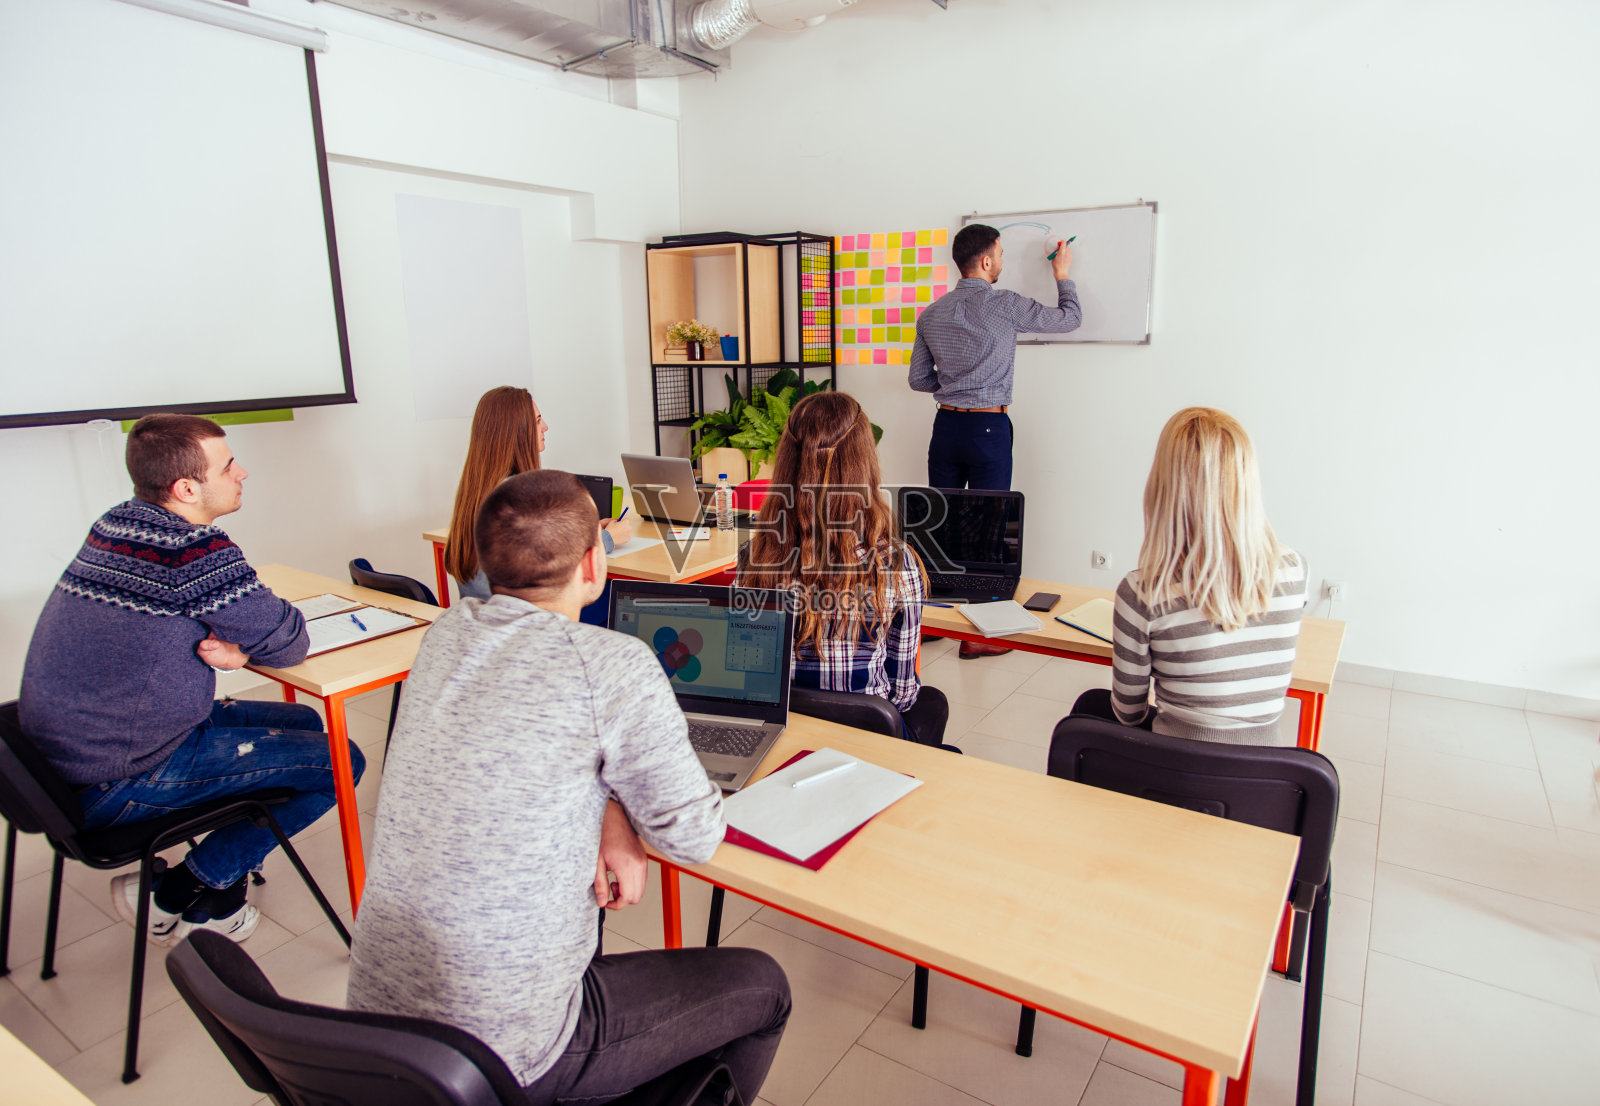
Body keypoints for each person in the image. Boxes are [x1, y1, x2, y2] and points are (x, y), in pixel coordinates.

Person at [348, 469, 790, 1104]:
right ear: (594, 562)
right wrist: (629, 807)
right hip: (510, 1051)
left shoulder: (445, 633)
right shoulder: (613, 664)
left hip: (380, 1032)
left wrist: (610, 809)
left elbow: (522, 749)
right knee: (765, 988)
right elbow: (693, 838)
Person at [18, 413, 363, 945]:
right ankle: (183, 889)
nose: (242, 472)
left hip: (70, 759)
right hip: (123, 775)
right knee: (343, 762)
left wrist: (237, 643)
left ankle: (213, 887)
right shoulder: (192, 551)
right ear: (186, 488)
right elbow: (290, 641)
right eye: (228, 466)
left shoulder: (118, 523)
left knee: (302, 719)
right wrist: (242, 649)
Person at [1068, 407, 1308, 744]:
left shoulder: (1143, 593)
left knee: (1087, 710)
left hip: (1175, 766)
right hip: (1265, 768)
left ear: (1163, 486)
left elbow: (1129, 714)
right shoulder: (1295, 569)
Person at [736, 392, 955, 750]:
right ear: (865, 463)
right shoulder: (898, 564)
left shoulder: (753, 557)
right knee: (932, 702)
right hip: (866, 739)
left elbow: (747, 667)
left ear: (787, 464)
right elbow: (902, 694)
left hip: (782, 736)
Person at [908, 223, 1082, 493]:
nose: (1002, 260)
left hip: (946, 427)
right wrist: (1062, 273)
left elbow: (918, 379)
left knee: (941, 514)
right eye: (1000, 254)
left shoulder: (931, 313)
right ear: (986, 262)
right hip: (988, 428)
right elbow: (1070, 318)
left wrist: (955, 386)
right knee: (990, 515)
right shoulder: (1006, 304)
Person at [443, 385, 631, 623]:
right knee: (620, 594)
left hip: (484, 621)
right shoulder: (519, 496)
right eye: (538, 420)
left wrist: (587, 533)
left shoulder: (476, 489)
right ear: (517, 432)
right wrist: (608, 538)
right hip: (527, 622)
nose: (545, 427)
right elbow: (557, 569)